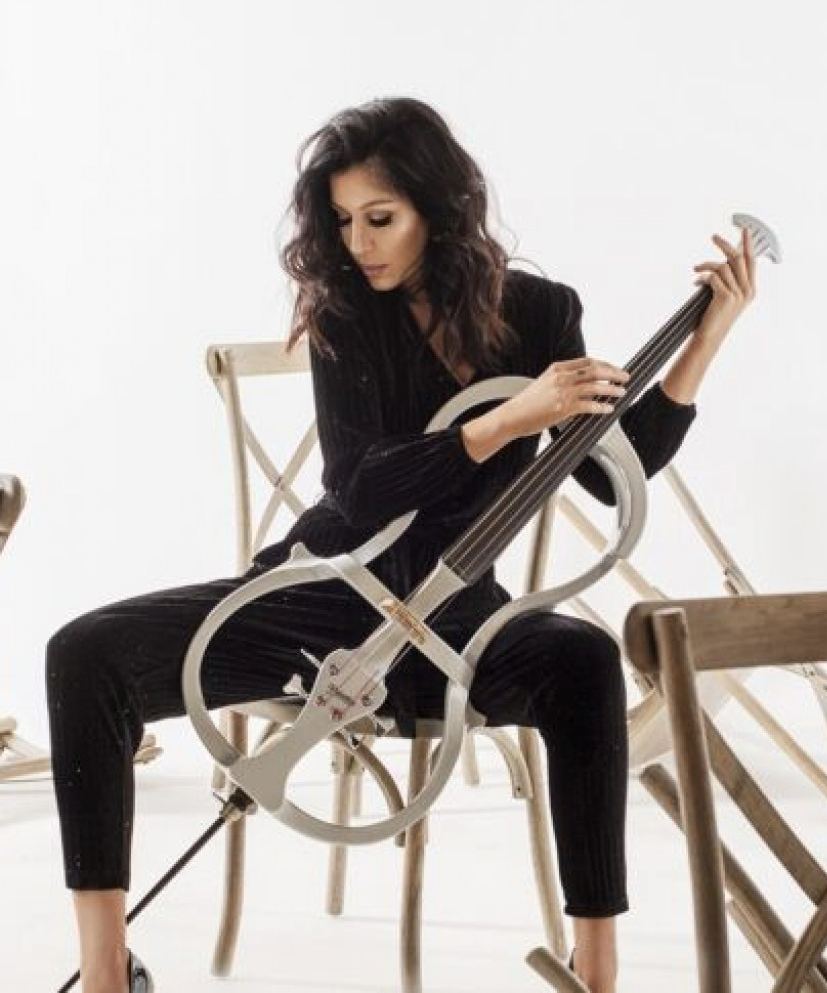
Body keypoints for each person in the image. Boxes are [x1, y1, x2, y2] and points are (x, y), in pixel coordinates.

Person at [45, 96, 757, 993]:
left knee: (583, 661)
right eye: (344, 222)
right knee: (85, 654)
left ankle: (597, 973)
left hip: (456, 620)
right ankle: (108, 972)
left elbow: (616, 472)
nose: (358, 244)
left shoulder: (540, 313)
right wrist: (506, 420)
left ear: (438, 209)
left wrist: (706, 339)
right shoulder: (345, 316)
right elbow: (360, 486)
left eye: (379, 219)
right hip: (317, 600)